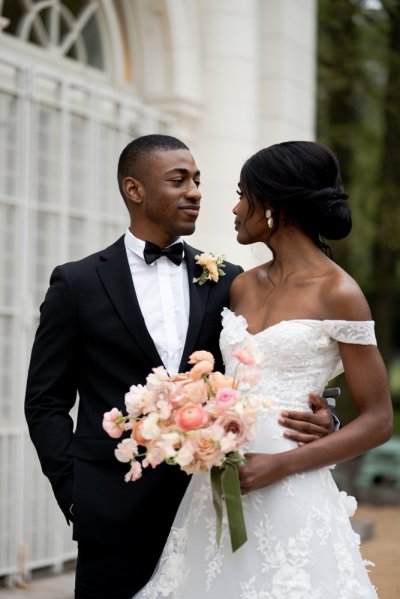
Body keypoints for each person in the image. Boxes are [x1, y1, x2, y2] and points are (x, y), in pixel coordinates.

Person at [24, 135, 335, 599]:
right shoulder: (77, 282)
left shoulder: (231, 280)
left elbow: (286, 355)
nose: (195, 191)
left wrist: (327, 415)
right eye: (178, 180)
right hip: (111, 509)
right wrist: (75, 490)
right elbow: (45, 401)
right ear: (135, 189)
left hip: (212, 505)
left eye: (198, 180)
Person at [134, 141, 393, 598]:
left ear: (273, 205)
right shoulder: (239, 286)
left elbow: (378, 420)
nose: (234, 209)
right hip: (216, 484)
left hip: (290, 486)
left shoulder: (341, 293)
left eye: (242, 194)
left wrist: (283, 463)